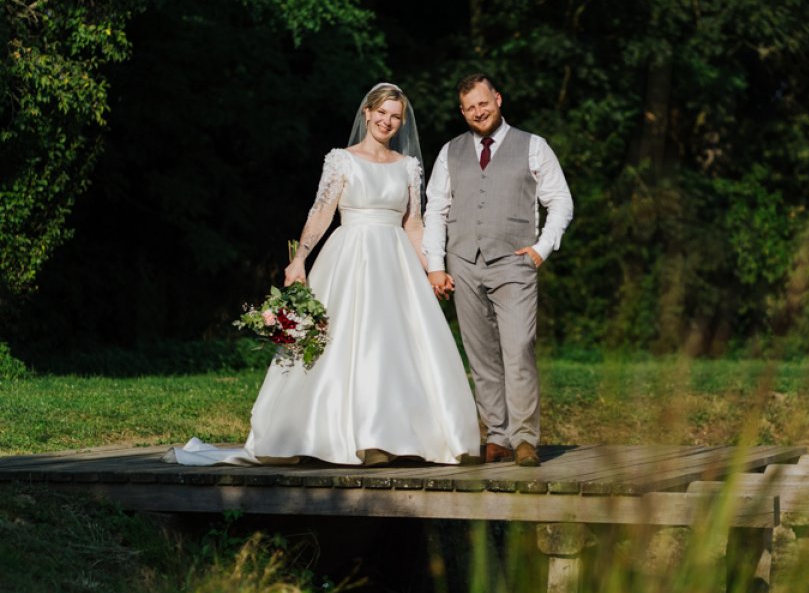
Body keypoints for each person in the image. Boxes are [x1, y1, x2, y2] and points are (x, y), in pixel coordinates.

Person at [166, 83, 481, 466]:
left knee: (393, 347)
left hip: (396, 263)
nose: (387, 121)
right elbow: (321, 212)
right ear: (367, 113)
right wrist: (299, 259)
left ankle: (388, 437)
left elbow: (413, 224)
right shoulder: (342, 160)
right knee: (340, 342)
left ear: (402, 122)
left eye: (395, 116)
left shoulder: (408, 166)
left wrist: (432, 270)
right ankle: (326, 433)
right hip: (350, 257)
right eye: (381, 113)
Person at [423, 74, 573, 467]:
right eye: (470, 107)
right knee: (481, 354)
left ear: (498, 100)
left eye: (483, 103)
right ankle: (498, 435)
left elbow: (560, 200)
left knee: (519, 347)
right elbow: (435, 209)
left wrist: (542, 248)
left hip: (514, 261)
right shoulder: (450, 152)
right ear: (462, 112)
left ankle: (524, 438)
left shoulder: (533, 146)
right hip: (462, 261)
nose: (478, 112)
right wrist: (436, 265)